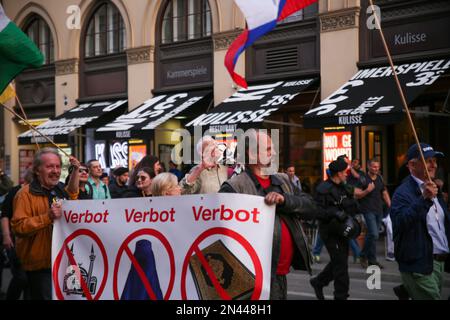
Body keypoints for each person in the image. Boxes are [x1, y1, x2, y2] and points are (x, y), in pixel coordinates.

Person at [219, 130, 317, 300]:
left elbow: (311, 207)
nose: (274, 153)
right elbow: (223, 232)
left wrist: (285, 200)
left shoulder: (283, 180)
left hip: (279, 272)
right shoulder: (235, 186)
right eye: (269, 149)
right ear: (252, 153)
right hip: (252, 274)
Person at [10, 148, 79, 300]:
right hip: (39, 267)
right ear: (37, 170)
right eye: (49, 167)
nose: (55, 171)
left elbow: (72, 194)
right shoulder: (25, 195)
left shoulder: (59, 189)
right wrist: (47, 217)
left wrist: (75, 171)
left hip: (61, 262)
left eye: (57, 166)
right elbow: (18, 227)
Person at [390, 143, 450, 300]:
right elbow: (400, 223)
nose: (434, 165)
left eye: (435, 161)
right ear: (412, 165)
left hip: (438, 263)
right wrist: (423, 199)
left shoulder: (435, 188)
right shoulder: (402, 193)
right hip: (418, 263)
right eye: (428, 160)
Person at [309, 157, 360, 300]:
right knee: (341, 266)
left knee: (340, 261)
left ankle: (318, 282)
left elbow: (351, 205)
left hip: (343, 231)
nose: (347, 174)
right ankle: (341, 296)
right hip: (329, 232)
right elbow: (316, 212)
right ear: (338, 173)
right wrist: (334, 213)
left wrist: (353, 208)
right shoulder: (323, 189)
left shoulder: (344, 187)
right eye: (345, 172)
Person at [1, 169, 33, 300]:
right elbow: (5, 216)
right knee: (21, 276)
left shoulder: (36, 193)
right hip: (15, 239)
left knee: (31, 278)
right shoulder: (15, 192)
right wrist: (6, 236)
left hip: (30, 241)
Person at [354, 158, 391, 269]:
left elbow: (384, 192)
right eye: (374, 167)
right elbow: (356, 194)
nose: (376, 169)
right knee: (374, 234)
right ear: (369, 167)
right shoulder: (363, 179)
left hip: (379, 210)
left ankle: (372, 260)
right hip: (368, 210)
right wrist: (367, 191)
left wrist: (390, 205)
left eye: (378, 167)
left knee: (373, 235)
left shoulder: (379, 177)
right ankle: (363, 255)